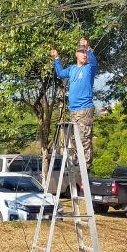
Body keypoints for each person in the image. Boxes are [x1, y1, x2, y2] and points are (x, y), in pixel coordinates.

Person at [51, 38, 97, 171]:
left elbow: (94, 62)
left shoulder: (89, 68)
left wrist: (88, 47)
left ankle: (86, 167)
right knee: (76, 139)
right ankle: (78, 162)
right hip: (73, 110)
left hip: (85, 109)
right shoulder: (72, 69)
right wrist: (56, 58)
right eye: (82, 52)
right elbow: (60, 73)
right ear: (76, 54)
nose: (84, 54)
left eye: (85, 52)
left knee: (84, 139)